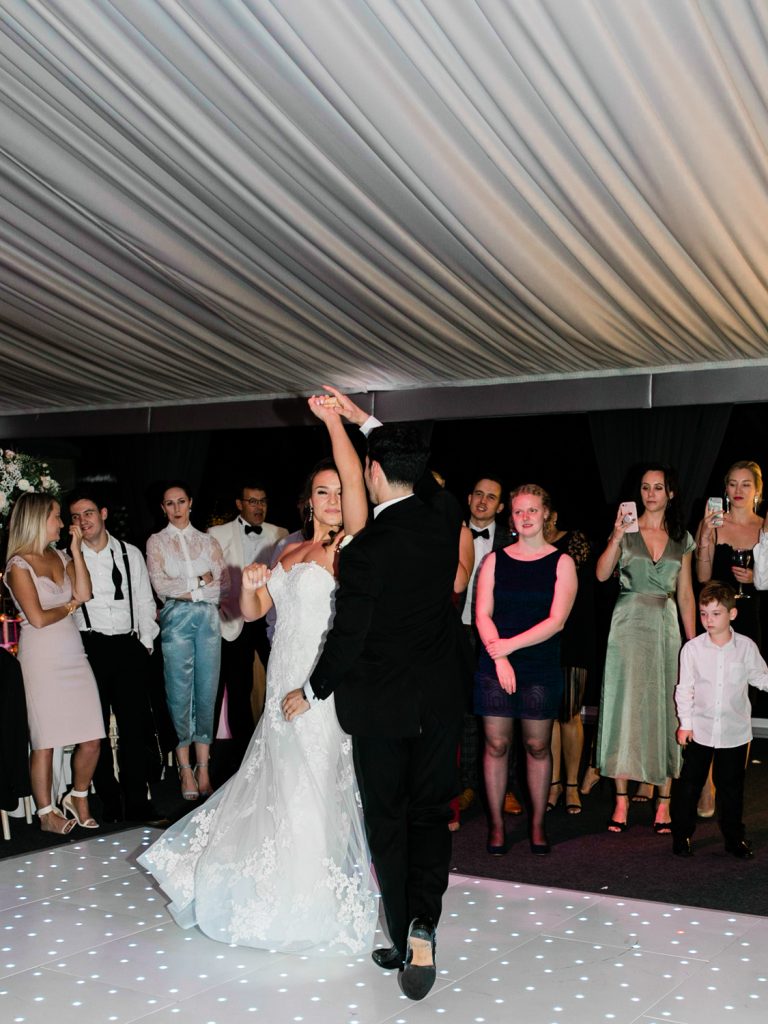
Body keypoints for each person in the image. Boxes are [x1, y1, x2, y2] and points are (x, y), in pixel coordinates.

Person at [139, 394, 377, 956]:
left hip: (320, 688)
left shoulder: (355, 550)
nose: (335, 499)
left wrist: (336, 424)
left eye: (342, 490)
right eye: (324, 491)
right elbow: (250, 613)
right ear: (309, 500)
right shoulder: (290, 551)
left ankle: (311, 897)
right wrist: (249, 584)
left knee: (312, 785)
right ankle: (275, 889)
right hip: (281, 685)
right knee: (276, 781)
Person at [283, 398, 467, 1002]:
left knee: (388, 820)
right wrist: (364, 420)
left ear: (373, 474)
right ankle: (423, 925)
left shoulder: (362, 549)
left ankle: (401, 929)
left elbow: (348, 637)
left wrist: (310, 690)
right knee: (431, 815)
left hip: (381, 709)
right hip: (438, 702)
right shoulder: (445, 517)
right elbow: (425, 477)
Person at [474, 485, 577, 858]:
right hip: (495, 659)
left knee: (537, 745)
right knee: (496, 744)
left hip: (537, 662)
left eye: (533, 510)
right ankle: (497, 826)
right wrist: (499, 657)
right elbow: (482, 614)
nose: (526, 517)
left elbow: (557, 621)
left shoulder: (562, 562)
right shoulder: (495, 561)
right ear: (511, 518)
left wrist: (510, 648)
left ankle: (536, 824)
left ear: (546, 513)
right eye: (519, 512)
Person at [596, 465, 696, 834]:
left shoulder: (681, 536)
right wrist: (616, 536)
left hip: (665, 624)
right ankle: (620, 800)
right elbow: (602, 574)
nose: (651, 493)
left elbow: (685, 593)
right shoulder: (626, 528)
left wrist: (694, 644)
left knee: (665, 706)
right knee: (623, 706)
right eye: (645, 487)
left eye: (659, 487)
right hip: (627, 623)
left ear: (671, 493)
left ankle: (664, 801)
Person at [3, 492, 103, 833]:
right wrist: (71, 607)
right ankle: (46, 813)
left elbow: (85, 593)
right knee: (45, 741)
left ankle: (78, 795)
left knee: (92, 736)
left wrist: (75, 551)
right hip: (41, 657)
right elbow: (39, 618)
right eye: (57, 516)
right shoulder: (18, 564)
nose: (64, 523)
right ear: (37, 520)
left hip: (73, 653)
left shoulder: (61, 555)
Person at [69, 491, 162, 824]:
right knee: (96, 729)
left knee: (134, 728)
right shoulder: (69, 558)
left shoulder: (129, 553)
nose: (84, 521)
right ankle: (110, 801)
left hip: (128, 646)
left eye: (89, 513)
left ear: (104, 513)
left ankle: (137, 801)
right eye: (76, 517)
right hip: (90, 647)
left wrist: (146, 643)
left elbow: (145, 601)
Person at [671, 582, 768, 859]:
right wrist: (685, 723)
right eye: (703, 614)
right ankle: (682, 835)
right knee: (690, 785)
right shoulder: (692, 649)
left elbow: (760, 677)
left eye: (715, 614)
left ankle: (734, 838)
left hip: (734, 731)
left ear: (732, 615)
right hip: (699, 729)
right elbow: (685, 688)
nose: (708, 621)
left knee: (732, 788)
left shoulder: (746, 647)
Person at [146, 482, 225, 802]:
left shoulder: (209, 541)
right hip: (175, 621)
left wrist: (191, 588)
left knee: (207, 691)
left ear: (190, 503)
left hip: (208, 620)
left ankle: (204, 766)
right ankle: (184, 767)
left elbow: (223, 585)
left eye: (181, 501)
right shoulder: (156, 542)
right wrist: (197, 582)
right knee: (178, 693)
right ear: (162, 508)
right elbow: (161, 586)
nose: (176, 508)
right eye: (169, 503)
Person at [694, 460, 763, 817]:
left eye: (746, 484)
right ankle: (706, 787)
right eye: (733, 484)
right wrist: (705, 537)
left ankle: (730, 789)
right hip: (716, 623)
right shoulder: (714, 524)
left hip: (751, 620)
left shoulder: (765, 527)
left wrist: (756, 577)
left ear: (757, 490)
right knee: (708, 702)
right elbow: (703, 577)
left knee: (739, 706)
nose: (738, 490)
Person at [208, 483, 288, 768]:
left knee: (280, 679)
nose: (258, 507)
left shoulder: (280, 534)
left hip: (270, 620)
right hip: (234, 620)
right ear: (239, 504)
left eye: (263, 501)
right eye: (252, 501)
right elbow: (211, 577)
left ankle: (275, 743)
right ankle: (244, 757)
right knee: (238, 688)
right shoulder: (217, 534)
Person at [457, 477, 522, 817]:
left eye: (491, 497)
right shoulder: (450, 532)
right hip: (458, 631)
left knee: (501, 712)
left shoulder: (512, 540)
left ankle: (508, 787)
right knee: (465, 712)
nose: (483, 501)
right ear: (468, 498)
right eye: (478, 493)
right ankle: (467, 785)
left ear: (500, 506)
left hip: (498, 635)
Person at [543, 509, 595, 815]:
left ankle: (572, 784)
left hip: (572, 634)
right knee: (547, 715)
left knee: (570, 713)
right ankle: (553, 783)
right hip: (538, 638)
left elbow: (575, 584)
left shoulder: (574, 540)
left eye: (540, 509)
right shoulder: (522, 543)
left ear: (552, 513)